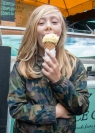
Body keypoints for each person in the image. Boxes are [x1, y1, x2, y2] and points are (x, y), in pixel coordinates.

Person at [7, 5, 89, 133]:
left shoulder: (74, 64)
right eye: (41, 23)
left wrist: (58, 80)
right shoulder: (22, 66)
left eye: (55, 22)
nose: (48, 26)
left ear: (61, 29)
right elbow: (15, 108)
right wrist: (54, 112)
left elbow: (82, 106)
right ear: (33, 30)